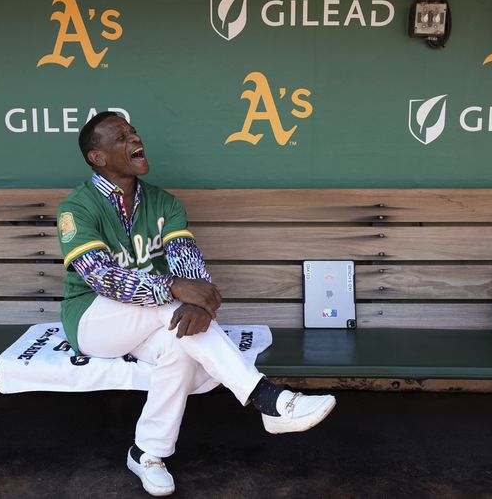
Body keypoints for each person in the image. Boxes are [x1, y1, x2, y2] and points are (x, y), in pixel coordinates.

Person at [56, 111, 336, 496]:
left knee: (180, 344)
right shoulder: (78, 206)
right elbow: (104, 279)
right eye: (120, 137)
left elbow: (188, 263)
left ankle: (147, 453)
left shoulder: (164, 203)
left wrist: (198, 302)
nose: (134, 138)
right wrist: (176, 289)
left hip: (149, 318)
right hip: (93, 319)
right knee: (171, 310)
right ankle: (266, 399)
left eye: (134, 131)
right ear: (97, 158)